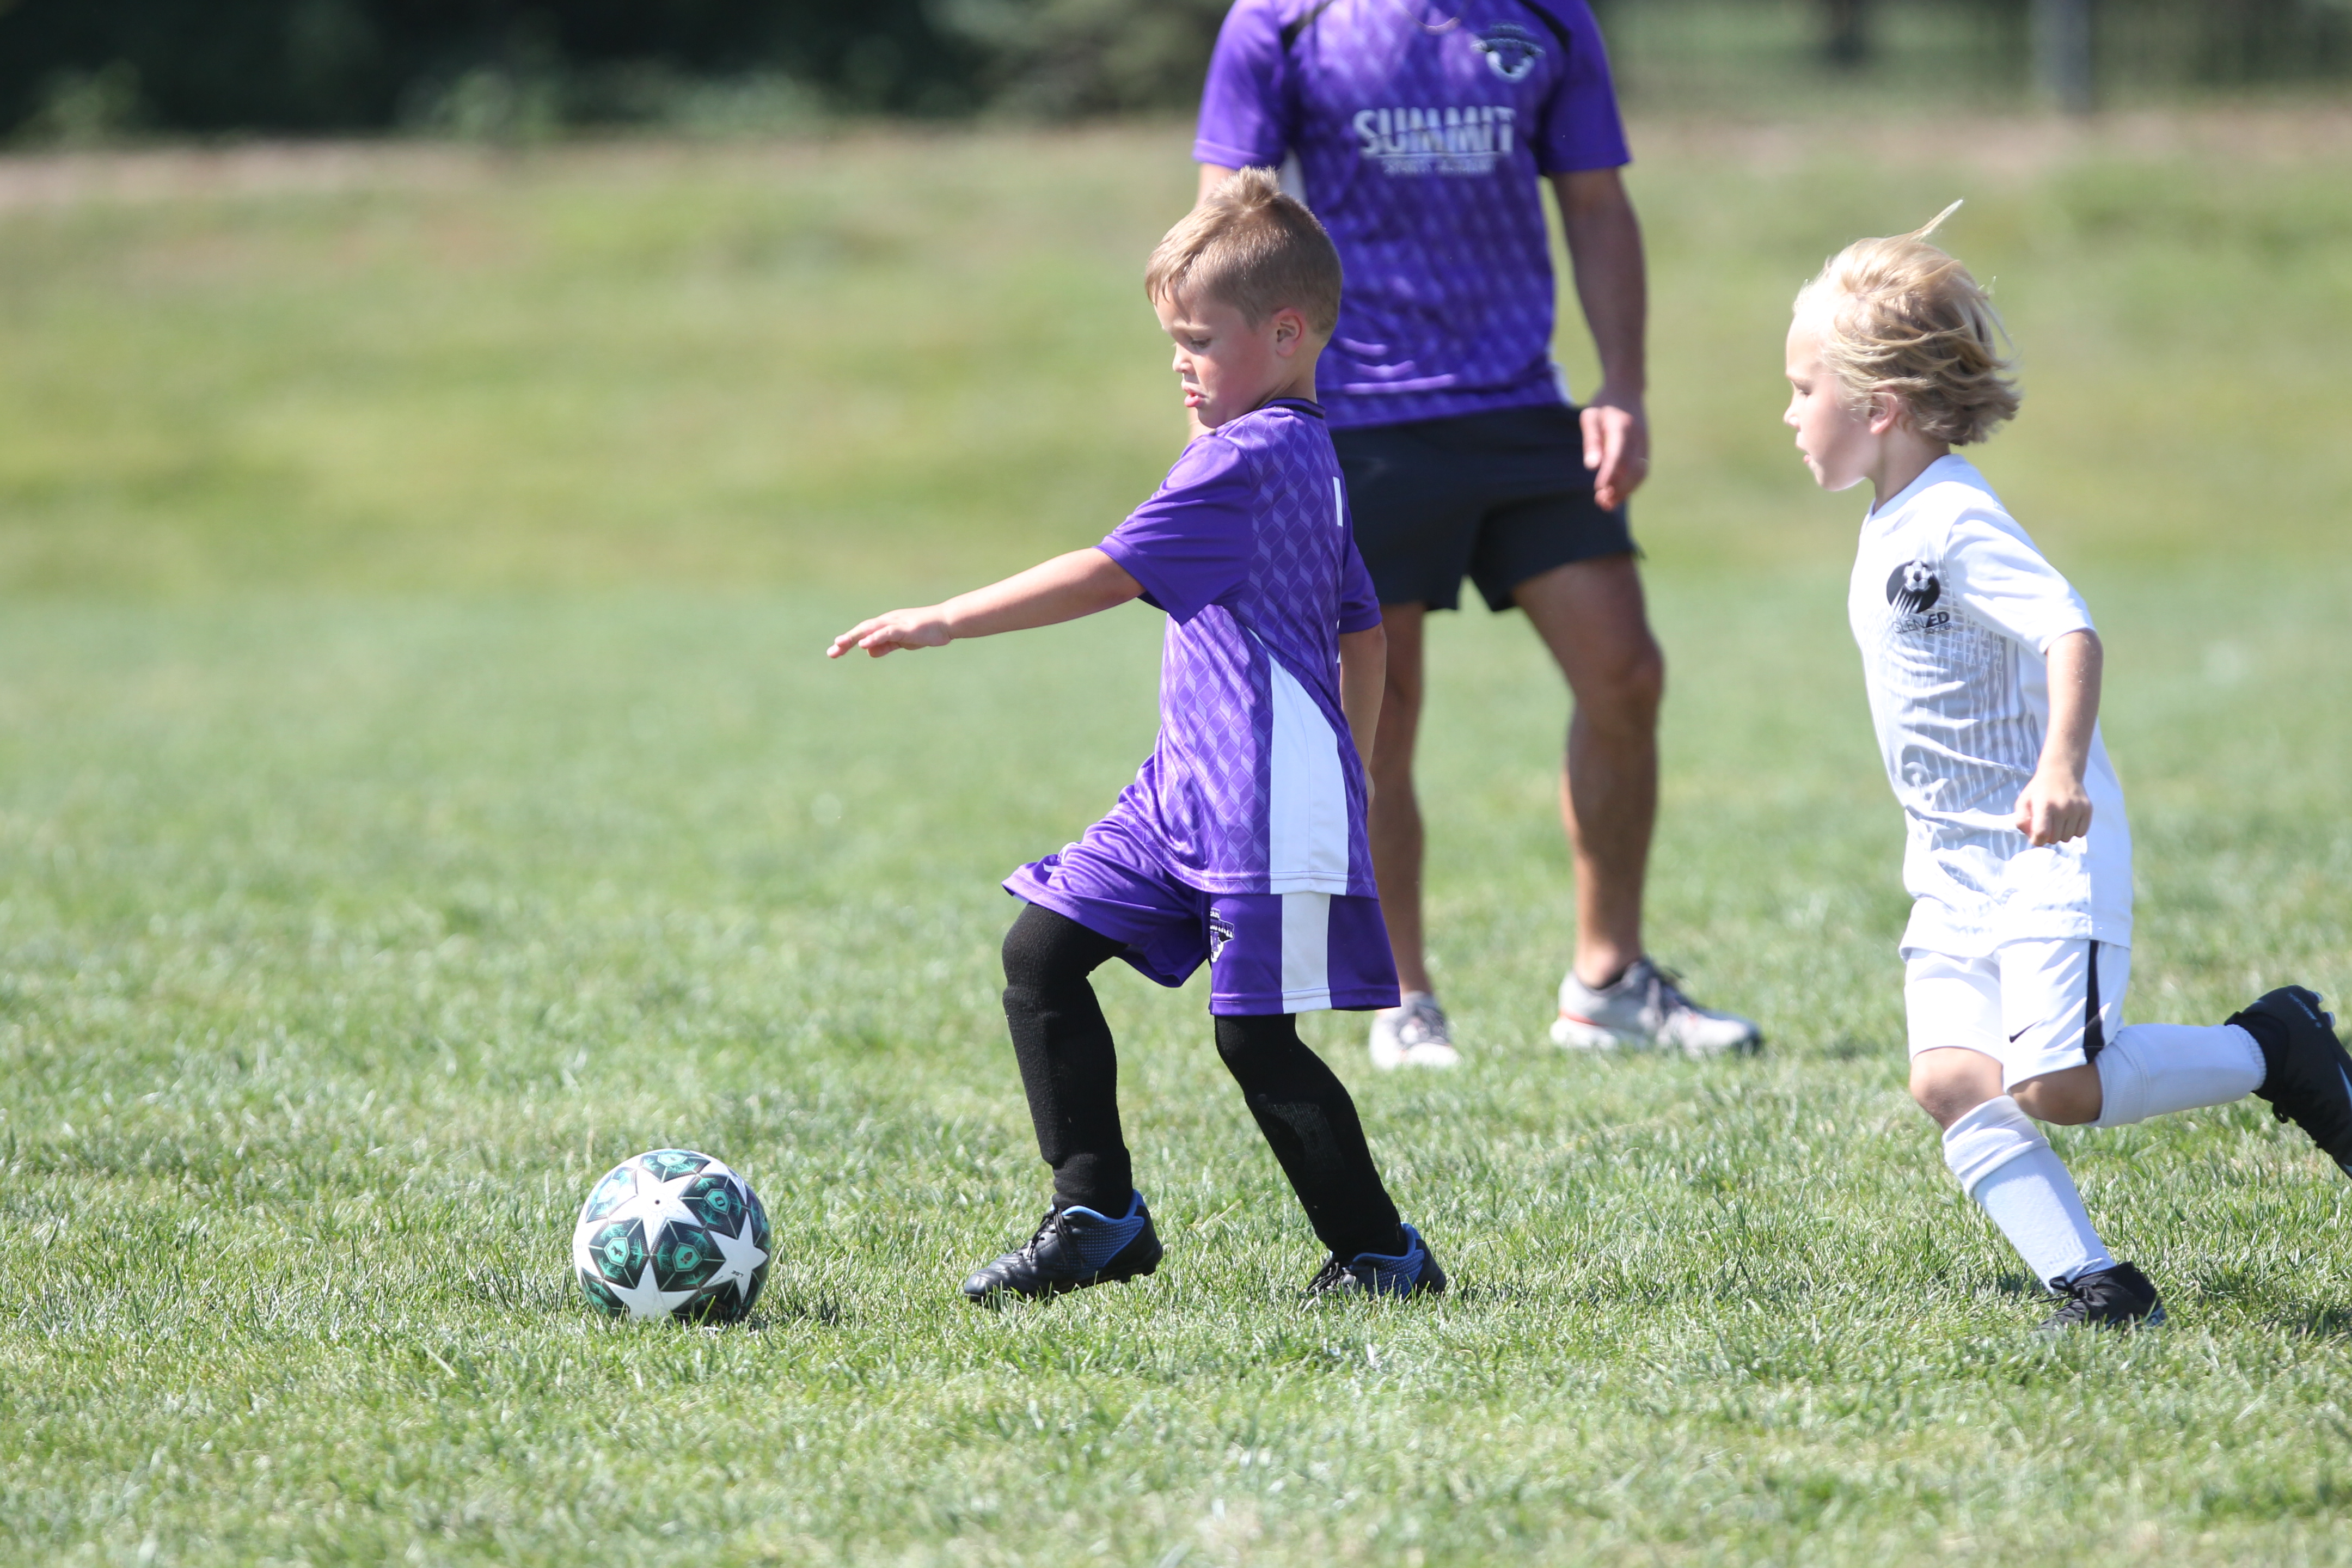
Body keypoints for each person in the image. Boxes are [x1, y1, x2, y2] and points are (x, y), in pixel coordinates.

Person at [829, 169, 1445, 1302]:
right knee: (1042, 956)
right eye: (1172, 340)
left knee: (1256, 1043)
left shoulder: (1245, 459)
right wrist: (1354, 764)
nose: (1179, 364)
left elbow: (1110, 572)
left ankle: (1382, 1254)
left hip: (1259, 803)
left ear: (1287, 333)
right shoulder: (1310, 455)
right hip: (1184, 795)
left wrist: (947, 617)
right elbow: (1362, 629)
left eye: (1199, 341)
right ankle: (1097, 1214)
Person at [1783, 206, 2352, 1331]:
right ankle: (2097, 1286)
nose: (1790, 413)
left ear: (1878, 407)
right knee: (1951, 1079)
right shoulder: (1889, 519)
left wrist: (2059, 769)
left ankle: (2274, 1049)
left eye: (1804, 390)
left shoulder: (1953, 518)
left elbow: (2068, 627)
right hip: (1952, 873)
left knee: (2055, 1087)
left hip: (2046, 855)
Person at [1193, 0, 1762, 1069]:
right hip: (1354, 418)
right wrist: (1223, 427)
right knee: (1383, 715)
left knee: (1626, 674)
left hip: (1520, 406)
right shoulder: (1282, 20)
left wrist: (1624, 384)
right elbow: (1227, 222)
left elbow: (1596, 203)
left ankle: (1609, 985)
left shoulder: (1547, 15)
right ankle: (1404, 997)